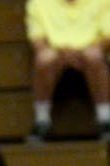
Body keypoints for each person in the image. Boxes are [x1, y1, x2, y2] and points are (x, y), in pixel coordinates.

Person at [25, 0, 110, 142]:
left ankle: (105, 120)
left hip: (89, 55)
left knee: (94, 56)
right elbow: (37, 41)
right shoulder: (38, 3)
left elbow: (107, 37)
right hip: (57, 56)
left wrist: (81, 51)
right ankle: (41, 121)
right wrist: (64, 54)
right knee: (44, 58)